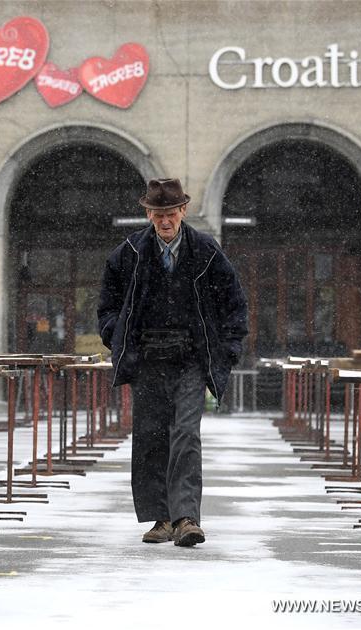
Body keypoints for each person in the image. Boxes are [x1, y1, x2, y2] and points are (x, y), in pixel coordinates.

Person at [97, 178, 248, 547]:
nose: (165, 220)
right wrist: (117, 336)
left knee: (185, 434)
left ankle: (186, 518)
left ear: (183, 210)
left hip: (190, 359)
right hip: (147, 359)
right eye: (158, 213)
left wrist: (227, 349)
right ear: (148, 213)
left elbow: (234, 304)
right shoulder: (128, 253)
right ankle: (160, 519)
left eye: (171, 213)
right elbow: (106, 306)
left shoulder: (206, 251)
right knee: (150, 437)